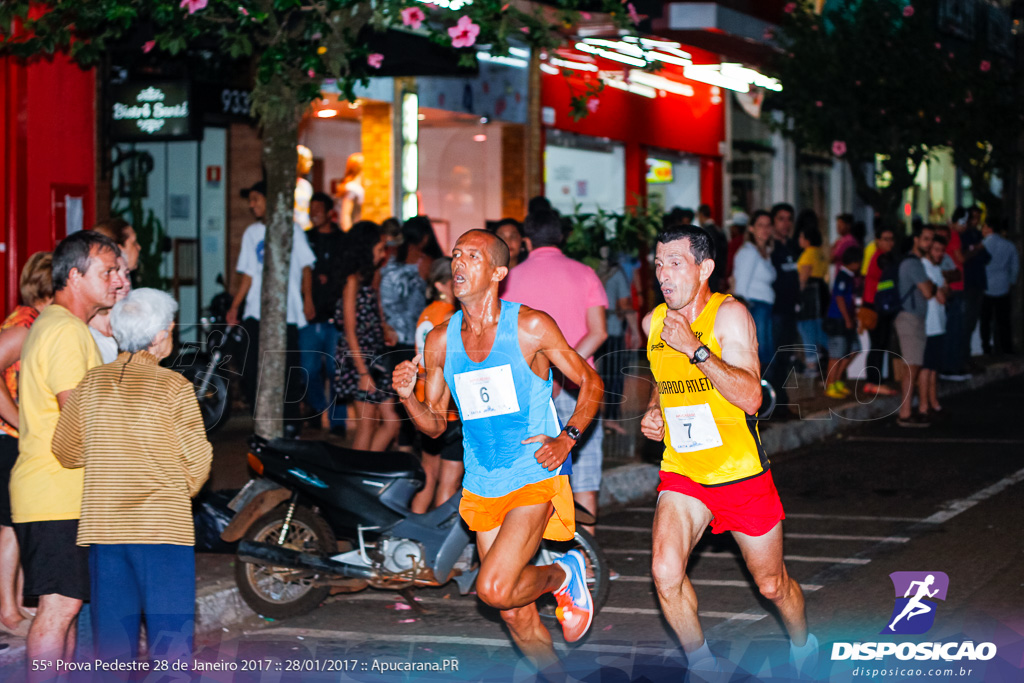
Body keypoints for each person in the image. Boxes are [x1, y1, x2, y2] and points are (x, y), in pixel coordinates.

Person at [391, 230, 603, 670]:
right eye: (456, 255)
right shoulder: (440, 340)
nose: (459, 263)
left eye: (473, 255)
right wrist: (408, 397)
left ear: (498, 272)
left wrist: (567, 438)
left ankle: (566, 573)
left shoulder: (530, 326)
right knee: (513, 613)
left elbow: (591, 382)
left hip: (532, 473)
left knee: (492, 588)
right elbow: (433, 426)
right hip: (483, 482)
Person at [640, 225, 815, 679]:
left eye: (675, 263)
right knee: (665, 571)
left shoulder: (729, 316)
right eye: (658, 264)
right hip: (684, 472)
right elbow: (664, 381)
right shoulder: (652, 323)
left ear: (705, 268)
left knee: (772, 585)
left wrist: (696, 348)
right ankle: (702, 665)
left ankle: (803, 643)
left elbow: (752, 398)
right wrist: (654, 411)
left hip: (740, 474)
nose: (663, 273)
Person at [51, 288, 212, 670]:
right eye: (170, 327)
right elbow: (198, 462)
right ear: (159, 336)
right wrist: (172, 491)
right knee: (169, 644)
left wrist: (111, 460)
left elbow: (66, 450)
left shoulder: (91, 383)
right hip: (162, 531)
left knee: (112, 647)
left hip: (105, 528)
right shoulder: (174, 387)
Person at [9, 231, 124, 680]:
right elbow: (78, 419)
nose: (117, 281)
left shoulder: (61, 325)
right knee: (59, 609)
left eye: (118, 271)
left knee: (68, 607)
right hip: (56, 490)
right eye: (108, 272)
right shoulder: (65, 332)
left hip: (59, 491)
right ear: (75, 276)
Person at [503, 209, 608, 538]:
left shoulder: (510, 278)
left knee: (531, 475)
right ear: (561, 237)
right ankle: (588, 563)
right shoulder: (585, 273)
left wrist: (546, 375)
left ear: (526, 239)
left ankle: (528, 556)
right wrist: (566, 369)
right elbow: (599, 332)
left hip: (528, 390)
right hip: (582, 386)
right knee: (586, 476)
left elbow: (505, 340)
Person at [226, 180, 316, 431]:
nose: (252, 205)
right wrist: (236, 306)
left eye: (256, 199)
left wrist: (307, 297)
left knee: (288, 369)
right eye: (251, 200)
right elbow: (248, 275)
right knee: (252, 368)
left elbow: (306, 267)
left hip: (287, 312)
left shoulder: (292, 230)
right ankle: (263, 421)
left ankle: (289, 424)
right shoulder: (251, 233)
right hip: (256, 311)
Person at [0, 253, 53, 639]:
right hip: (9, 440)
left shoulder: (32, 322)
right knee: (11, 527)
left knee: (17, 525)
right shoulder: (25, 327)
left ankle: (15, 604)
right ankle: (8, 611)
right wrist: (21, 421)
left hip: (16, 438)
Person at [334, 221, 401, 452]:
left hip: (377, 355)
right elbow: (349, 331)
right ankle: (357, 476)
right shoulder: (351, 281)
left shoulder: (372, 276)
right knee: (367, 425)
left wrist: (385, 329)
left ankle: (368, 469)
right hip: (358, 358)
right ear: (366, 246)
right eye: (380, 248)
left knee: (391, 422)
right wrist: (363, 372)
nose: (383, 255)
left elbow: (376, 312)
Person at [410, 258, 462, 513]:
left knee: (429, 475)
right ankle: (440, 541)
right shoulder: (451, 316)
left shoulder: (426, 312)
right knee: (448, 482)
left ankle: (412, 534)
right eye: (456, 279)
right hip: (448, 409)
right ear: (442, 284)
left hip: (424, 403)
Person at [301, 191, 348, 433]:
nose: (313, 213)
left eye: (318, 209)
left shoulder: (343, 239)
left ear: (329, 212)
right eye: (311, 208)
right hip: (309, 316)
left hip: (335, 317)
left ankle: (337, 421)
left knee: (334, 369)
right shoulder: (305, 238)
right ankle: (320, 408)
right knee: (308, 369)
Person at [894, 225, 939, 428]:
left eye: (931, 239)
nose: (928, 243)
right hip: (909, 318)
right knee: (912, 366)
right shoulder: (913, 264)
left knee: (914, 365)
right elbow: (929, 292)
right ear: (916, 239)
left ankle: (909, 410)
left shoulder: (915, 263)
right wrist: (933, 285)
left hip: (914, 317)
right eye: (925, 239)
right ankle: (904, 413)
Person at [731, 210, 776, 374]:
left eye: (768, 225)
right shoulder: (749, 252)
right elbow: (740, 286)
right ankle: (759, 394)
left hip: (764, 307)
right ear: (751, 228)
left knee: (765, 353)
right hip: (755, 307)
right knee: (761, 354)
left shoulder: (764, 253)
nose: (765, 229)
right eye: (760, 225)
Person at [596, 246, 633, 436]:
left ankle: (592, 418)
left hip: (591, 330)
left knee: (592, 375)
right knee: (614, 377)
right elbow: (625, 304)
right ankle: (610, 419)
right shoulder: (616, 274)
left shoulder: (590, 270)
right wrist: (634, 331)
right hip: (612, 330)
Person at [380, 216, 432, 352]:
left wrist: (382, 324)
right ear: (425, 238)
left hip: (388, 331)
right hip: (414, 333)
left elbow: (375, 292)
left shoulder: (386, 256)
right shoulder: (426, 262)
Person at [859, 227, 900, 396]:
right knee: (877, 345)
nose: (889, 242)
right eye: (885, 238)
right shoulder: (880, 258)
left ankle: (875, 380)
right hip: (874, 307)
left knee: (880, 345)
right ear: (878, 240)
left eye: (891, 238)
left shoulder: (884, 256)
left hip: (880, 306)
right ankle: (872, 382)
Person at [769, 203, 800, 401]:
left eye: (789, 219)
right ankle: (775, 401)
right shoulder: (770, 249)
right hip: (774, 310)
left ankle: (781, 400)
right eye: (781, 219)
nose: (786, 223)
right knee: (774, 356)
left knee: (787, 355)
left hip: (790, 309)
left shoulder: (793, 246)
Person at [823, 248, 862, 399]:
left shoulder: (849, 277)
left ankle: (837, 381)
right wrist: (847, 318)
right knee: (836, 354)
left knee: (851, 350)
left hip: (846, 320)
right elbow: (839, 298)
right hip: (838, 320)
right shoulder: (843, 276)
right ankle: (830, 385)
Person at [920, 236, 952, 416]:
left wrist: (943, 289)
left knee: (933, 367)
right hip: (928, 324)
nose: (940, 254)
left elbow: (946, 290)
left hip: (939, 323)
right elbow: (942, 295)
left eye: (942, 250)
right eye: (936, 250)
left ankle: (933, 400)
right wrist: (943, 289)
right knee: (926, 367)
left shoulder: (936, 268)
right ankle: (924, 404)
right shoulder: (924, 267)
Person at [795, 217, 830, 377]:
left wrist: (797, 297)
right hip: (821, 292)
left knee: (806, 328)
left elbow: (803, 278)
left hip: (809, 295)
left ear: (807, 239)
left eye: (801, 237)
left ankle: (811, 364)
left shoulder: (808, 254)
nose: (799, 240)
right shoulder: (820, 253)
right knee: (817, 327)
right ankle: (826, 356)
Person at [980, 222, 1019, 355]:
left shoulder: (983, 244)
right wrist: (1011, 281)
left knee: (985, 320)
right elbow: (1015, 266)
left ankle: (986, 347)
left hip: (986, 287)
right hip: (1003, 286)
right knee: (1003, 320)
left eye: (984, 227)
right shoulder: (1008, 245)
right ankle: (1006, 347)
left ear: (990, 228)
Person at [697, 204, 729, 293]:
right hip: (719, 270)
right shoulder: (719, 230)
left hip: (710, 272)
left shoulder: (705, 232)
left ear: (701, 215)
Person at [338, 153, 365, 232]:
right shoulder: (353, 188)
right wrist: (349, 234)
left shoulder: (355, 187)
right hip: (351, 230)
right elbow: (345, 214)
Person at [294, 144, 314, 230]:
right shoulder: (288, 185)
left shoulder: (305, 185)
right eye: (307, 160)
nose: (310, 163)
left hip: (306, 229)